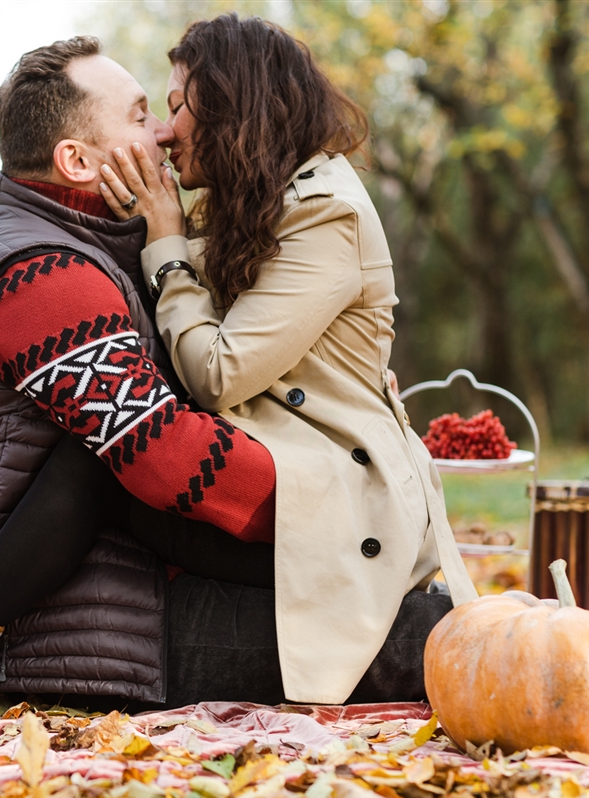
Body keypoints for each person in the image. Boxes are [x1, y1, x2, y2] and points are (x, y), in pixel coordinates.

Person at [0, 32, 466, 744]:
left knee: (114, 452)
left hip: (318, 516)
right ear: (76, 161)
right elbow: (168, 451)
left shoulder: (94, 243)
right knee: (121, 447)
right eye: (141, 114)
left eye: (170, 109)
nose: (161, 132)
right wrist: (300, 502)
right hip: (206, 554)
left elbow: (203, 386)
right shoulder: (46, 275)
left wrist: (316, 507)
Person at [97, 13, 477, 704]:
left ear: (231, 109)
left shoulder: (326, 212)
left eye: (177, 107)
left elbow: (218, 373)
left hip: (339, 492)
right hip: (278, 466)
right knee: (100, 451)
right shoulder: (253, 202)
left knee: (100, 459)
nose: (163, 132)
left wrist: (164, 240)